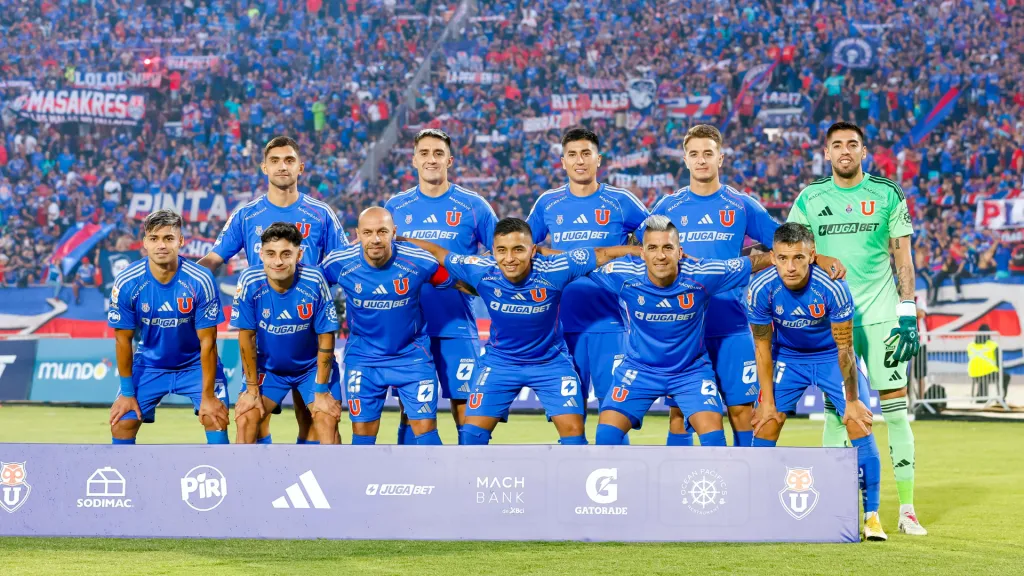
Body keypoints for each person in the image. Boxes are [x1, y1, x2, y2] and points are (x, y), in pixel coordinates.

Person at [649, 124, 843, 448]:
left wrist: (818, 259)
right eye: (694, 154)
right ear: (685, 160)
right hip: (683, 328)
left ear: (720, 158)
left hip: (733, 325)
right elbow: (645, 254)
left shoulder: (741, 205)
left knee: (742, 411)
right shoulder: (667, 208)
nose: (701, 161)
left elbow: (782, 243)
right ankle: (677, 493)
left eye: (708, 154)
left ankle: (743, 489)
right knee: (681, 414)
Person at [788, 121, 925, 535]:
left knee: (897, 411)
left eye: (852, 144)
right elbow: (796, 253)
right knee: (835, 412)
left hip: (883, 316)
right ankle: (837, 506)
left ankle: (907, 509)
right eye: (836, 145)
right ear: (826, 153)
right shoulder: (810, 198)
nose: (844, 150)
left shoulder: (886, 193)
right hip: (833, 320)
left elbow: (903, 255)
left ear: (863, 151)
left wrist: (907, 309)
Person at [402, 218, 638, 445]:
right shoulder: (481, 270)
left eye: (518, 249)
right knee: (471, 436)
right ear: (493, 251)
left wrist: (641, 252)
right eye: (502, 250)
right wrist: (396, 240)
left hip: (550, 363)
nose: (509, 258)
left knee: (574, 436)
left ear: (533, 250)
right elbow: (437, 253)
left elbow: (602, 254)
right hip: (500, 363)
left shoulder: (555, 270)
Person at [198, 135, 348, 445]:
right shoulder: (246, 215)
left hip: (309, 334)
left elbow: (345, 266)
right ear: (264, 167)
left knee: (313, 421)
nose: (283, 166)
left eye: (289, 160)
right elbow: (214, 258)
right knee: (252, 419)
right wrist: (184, 282)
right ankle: (257, 488)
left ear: (301, 167)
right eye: (276, 161)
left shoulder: (321, 214)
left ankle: (320, 487)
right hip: (264, 340)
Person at [747, 223, 883, 541]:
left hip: (831, 358)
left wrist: (852, 400)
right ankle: (755, 508)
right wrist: (766, 400)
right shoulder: (760, 288)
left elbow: (845, 348)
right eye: (782, 258)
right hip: (787, 358)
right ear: (773, 257)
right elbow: (762, 349)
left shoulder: (833, 288)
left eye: (797, 257)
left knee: (857, 421)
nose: (790, 267)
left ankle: (872, 515)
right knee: (766, 422)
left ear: (812, 255)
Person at [587, 215, 772, 446]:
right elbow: (573, 263)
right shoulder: (623, 275)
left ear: (679, 252)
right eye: (652, 248)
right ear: (642, 253)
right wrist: (534, 257)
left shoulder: (702, 274)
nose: (660, 255)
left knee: (714, 440)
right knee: (605, 436)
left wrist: (813, 259)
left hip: (690, 372)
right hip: (640, 370)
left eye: (667, 247)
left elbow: (758, 261)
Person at [526, 127, 649, 442]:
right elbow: (523, 247)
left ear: (599, 159)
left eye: (585, 153)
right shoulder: (548, 203)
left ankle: (620, 485)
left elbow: (658, 243)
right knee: (569, 421)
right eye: (572, 155)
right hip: (560, 328)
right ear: (563, 162)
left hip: (610, 325)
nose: (579, 161)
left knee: (614, 418)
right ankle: (572, 488)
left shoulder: (622, 201)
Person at [384, 128, 497, 445]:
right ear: (414, 160)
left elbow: (498, 257)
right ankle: (412, 481)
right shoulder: (396, 206)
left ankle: (469, 478)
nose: (431, 159)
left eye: (437, 153)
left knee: (466, 404)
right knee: (413, 408)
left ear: (449, 159)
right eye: (424, 153)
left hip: (457, 325)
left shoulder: (473, 206)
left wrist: (473, 284)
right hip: (409, 328)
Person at [320, 207, 452, 445]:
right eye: (368, 232)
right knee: (362, 436)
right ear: (357, 234)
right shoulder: (339, 262)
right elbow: (309, 288)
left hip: (412, 357)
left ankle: (429, 481)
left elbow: (455, 281)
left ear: (394, 232)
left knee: (427, 433)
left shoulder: (418, 260)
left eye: (382, 231)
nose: (376, 239)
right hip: (364, 359)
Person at [107, 209, 230, 444]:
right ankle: (125, 480)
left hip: (195, 365)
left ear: (181, 241)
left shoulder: (200, 279)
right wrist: (126, 392)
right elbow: (122, 340)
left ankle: (224, 478)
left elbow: (208, 342)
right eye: (154, 239)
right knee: (123, 421)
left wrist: (207, 397)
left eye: (168, 238)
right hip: (150, 364)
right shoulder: (127, 281)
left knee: (215, 417)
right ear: (144, 242)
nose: (161, 245)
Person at [230, 222, 342, 444]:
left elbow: (326, 336)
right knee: (246, 418)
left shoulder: (314, 280)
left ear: (299, 254)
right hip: (269, 370)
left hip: (310, 369)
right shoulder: (250, 281)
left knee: (326, 419)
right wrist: (252, 389)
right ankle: (248, 478)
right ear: (261, 254)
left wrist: (320, 391)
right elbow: (246, 337)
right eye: (271, 254)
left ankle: (330, 478)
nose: (278, 261)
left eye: (286, 254)